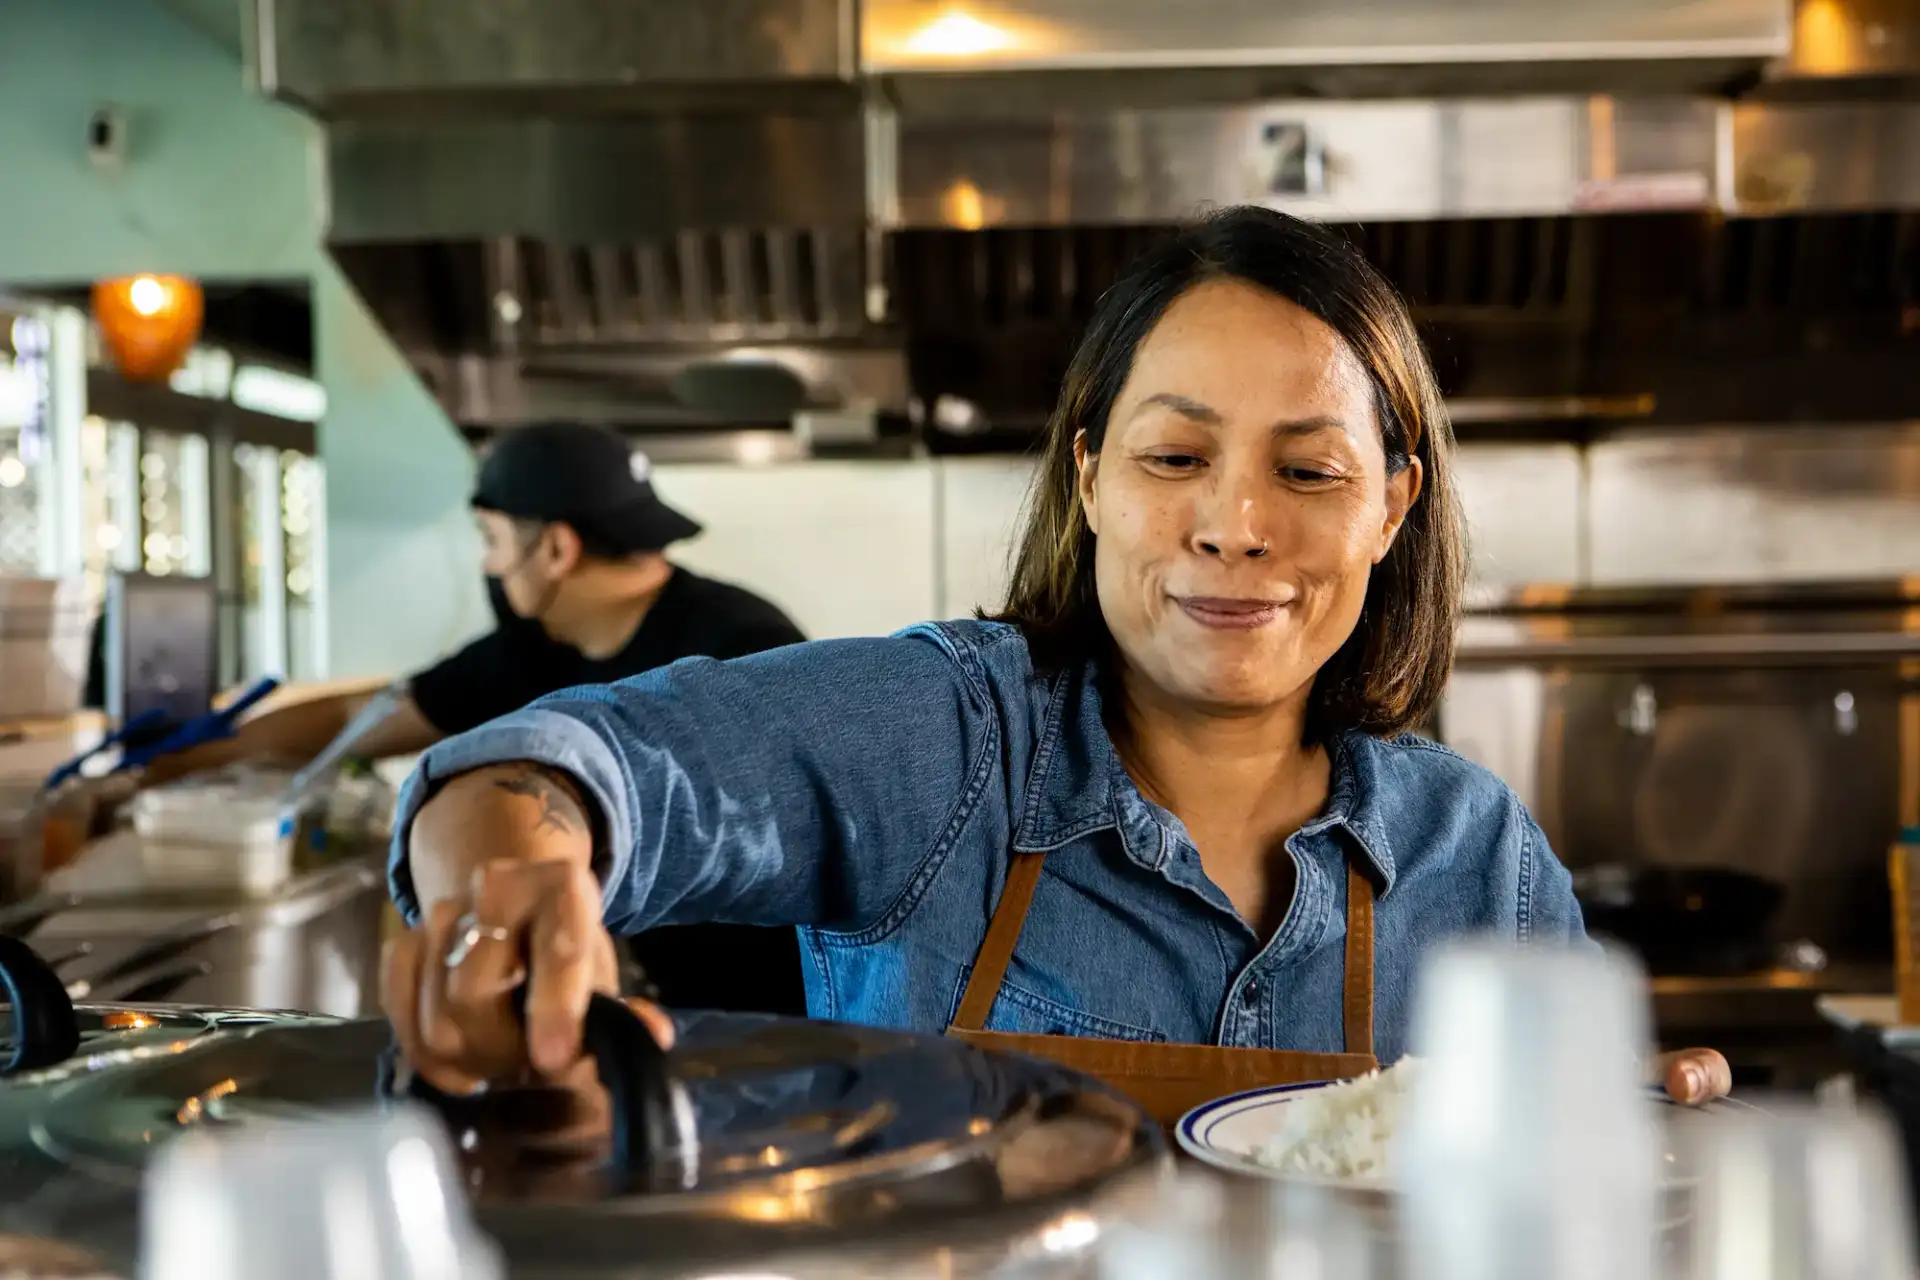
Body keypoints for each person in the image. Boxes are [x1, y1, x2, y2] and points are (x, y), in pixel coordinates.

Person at [381, 208, 1729, 1116]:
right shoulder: (944, 737)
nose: (1235, 527)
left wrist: (1621, 1134)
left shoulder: (1477, 853)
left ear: (1392, 504)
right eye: (1174, 457)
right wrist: (519, 884)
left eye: (1309, 470)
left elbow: (1563, 1179)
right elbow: (561, 766)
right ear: (1090, 479)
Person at [148, 421, 812, 1017]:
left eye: (493, 541)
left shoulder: (741, 646)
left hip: (778, 1010)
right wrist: (163, 763)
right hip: (653, 1000)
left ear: (556, 550)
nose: (489, 566)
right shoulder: (540, 645)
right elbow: (366, 717)